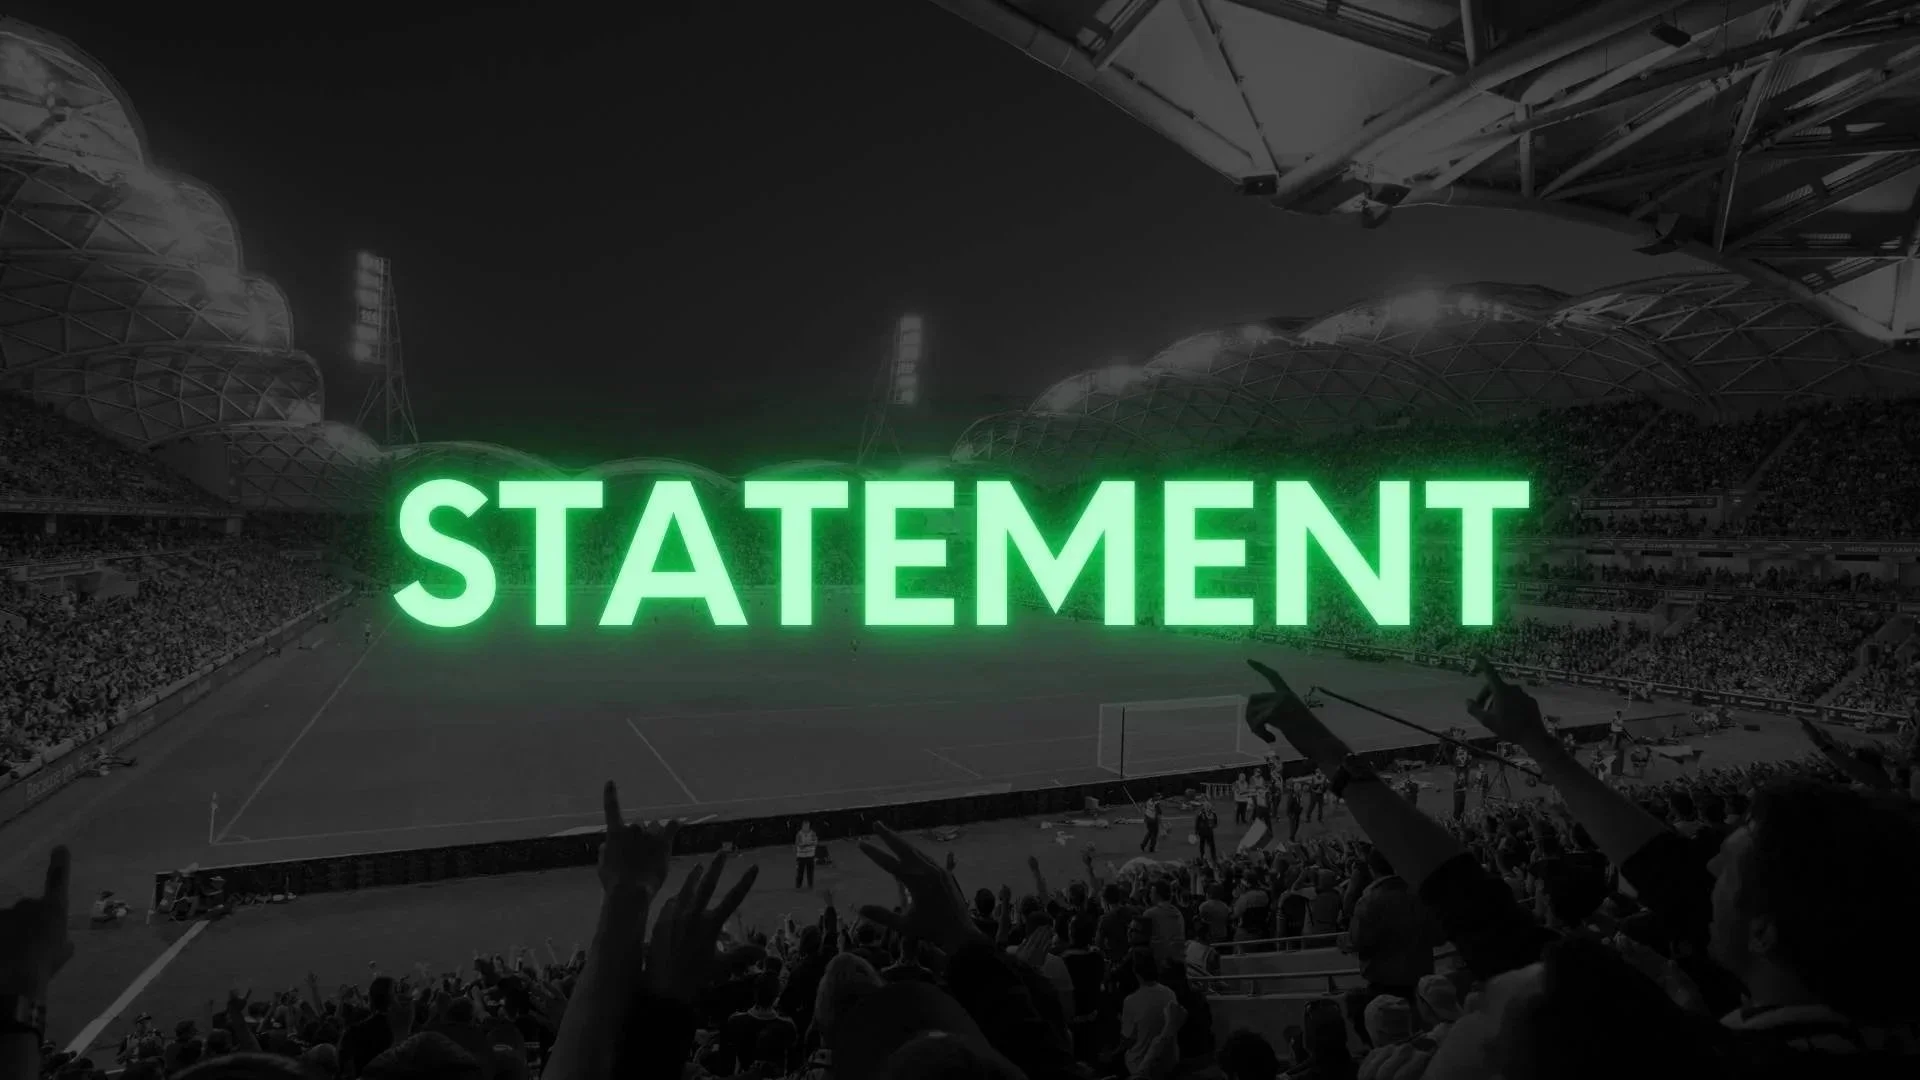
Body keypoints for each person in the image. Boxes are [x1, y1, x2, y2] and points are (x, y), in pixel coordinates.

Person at [794, 820, 817, 890]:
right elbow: (798, 844)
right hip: (801, 857)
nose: (806, 827)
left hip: (810, 856)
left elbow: (815, 843)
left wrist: (805, 845)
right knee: (800, 872)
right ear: (802, 826)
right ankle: (798, 886)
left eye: (807, 826)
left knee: (810, 872)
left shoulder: (812, 833)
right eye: (805, 826)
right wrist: (808, 844)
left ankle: (810, 885)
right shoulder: (799, 834)